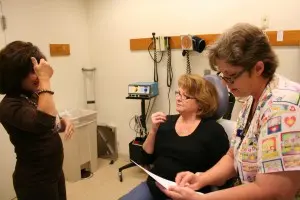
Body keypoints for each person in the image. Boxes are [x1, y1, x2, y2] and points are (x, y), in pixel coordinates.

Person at [160, 23, 300, 200]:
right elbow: (234, 154)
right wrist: (200, 179)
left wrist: (201, 199)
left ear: (258, 68)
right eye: (222, 76)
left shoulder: (284, 108)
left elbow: (275, 191)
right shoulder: (252, 99)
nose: (225, 84)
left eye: (231, 76)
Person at [120, 74, 230, 200]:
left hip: (186, 195)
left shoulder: (213, 131)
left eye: (186, 96)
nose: (178, 98)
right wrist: (153, 130)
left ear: (201, 103)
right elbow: (145, 159)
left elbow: (222, 177)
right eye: (178, 93)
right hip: (154, 187)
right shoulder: (165, 122)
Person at [0, 41, 74, 200]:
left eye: (37, 70)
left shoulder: (32, 94)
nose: (37, 76)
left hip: (54, 173)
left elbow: (51, 123)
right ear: (15, 74)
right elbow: (42, 122)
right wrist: (45, 80)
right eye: (31, 71)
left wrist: (64, 122)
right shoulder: (9, 105)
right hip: (35, 181)